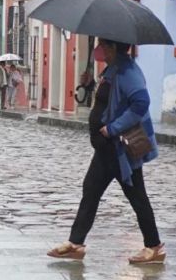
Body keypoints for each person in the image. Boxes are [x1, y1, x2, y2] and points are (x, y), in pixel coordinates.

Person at [48, 38, 164, 264]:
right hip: (106, 148)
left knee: (136, 195)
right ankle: (75, 243)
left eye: (103, 44)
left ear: (113, 47)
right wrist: (89, 84)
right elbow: (107, 99)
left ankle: (154, 247)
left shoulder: (128, 72)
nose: (99, 48)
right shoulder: (113, 69)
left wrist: (113, 128)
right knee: (91, 189)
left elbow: (141, 103)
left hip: (117, 148)